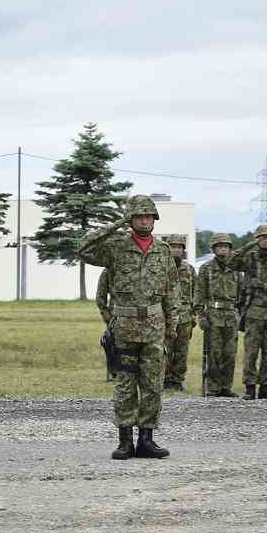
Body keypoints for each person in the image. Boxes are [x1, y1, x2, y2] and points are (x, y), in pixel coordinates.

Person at [78, 195, 178, 460]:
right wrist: (116, 224)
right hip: (125, 326)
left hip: (155, 325)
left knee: (153, 384)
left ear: (154, 220)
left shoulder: (163, 250)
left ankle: (147, 439)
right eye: (139, 216)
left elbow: (172, 290)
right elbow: (84, 248)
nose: (145, 220)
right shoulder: (116, 247)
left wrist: (174, 324)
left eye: (149, 216)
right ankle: (125, 441)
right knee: (125, 384)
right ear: (131, 219)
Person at [229, 225, 267, 400]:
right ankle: (249, 387)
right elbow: (232, 262)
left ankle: (265, 387)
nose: (266, 240)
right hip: (253, 313)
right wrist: (249, 245)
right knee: (251, 352)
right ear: (257, 240)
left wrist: (261, 285)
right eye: (262, 238)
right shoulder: (249, 259)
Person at [197, 234, 243, 397]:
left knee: (230, 353)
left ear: (230, 249)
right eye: (219, 246)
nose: (222, 249)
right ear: (214, 249)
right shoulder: (206, 269)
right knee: (214, 353)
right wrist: (201, 315)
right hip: (213, 314)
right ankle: (213, 387)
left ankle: (226, 387)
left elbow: (242, 294)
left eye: (225, 246)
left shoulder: (237, 270)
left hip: (231, 314)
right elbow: (199, 293)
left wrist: (240, 315)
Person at [163, 234, 199, 392]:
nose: (176, 250)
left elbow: (196, 292)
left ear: (183, 250)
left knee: (181, 350)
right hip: (165, 316)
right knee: (164, 349)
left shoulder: (189, 270)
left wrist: (195, 314)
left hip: (185, 317)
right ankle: (164, 379)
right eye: (173, 246)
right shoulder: (161, 268)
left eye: (179, 247)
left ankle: (177, 380)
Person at [96, 266, 116, 382]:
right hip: (115, 316)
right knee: (112, 346)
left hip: (136, 316)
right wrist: (107, 317)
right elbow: (100, 297)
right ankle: (115, 373)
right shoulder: (108, 271)